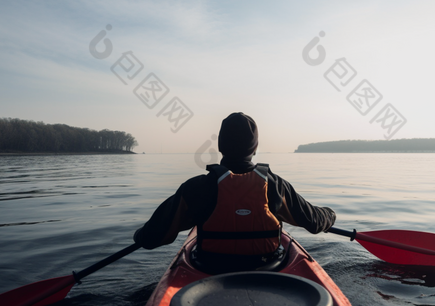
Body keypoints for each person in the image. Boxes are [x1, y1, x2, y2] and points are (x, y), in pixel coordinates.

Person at [134, 112, 336, 273]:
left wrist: (139, 236)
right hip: (268, 268)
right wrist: (330, 214)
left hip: (210, 269)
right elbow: (315, 222)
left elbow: (153, 237)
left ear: (221, 146)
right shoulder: (275, 186)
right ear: (254, 148)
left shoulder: (196, 188)